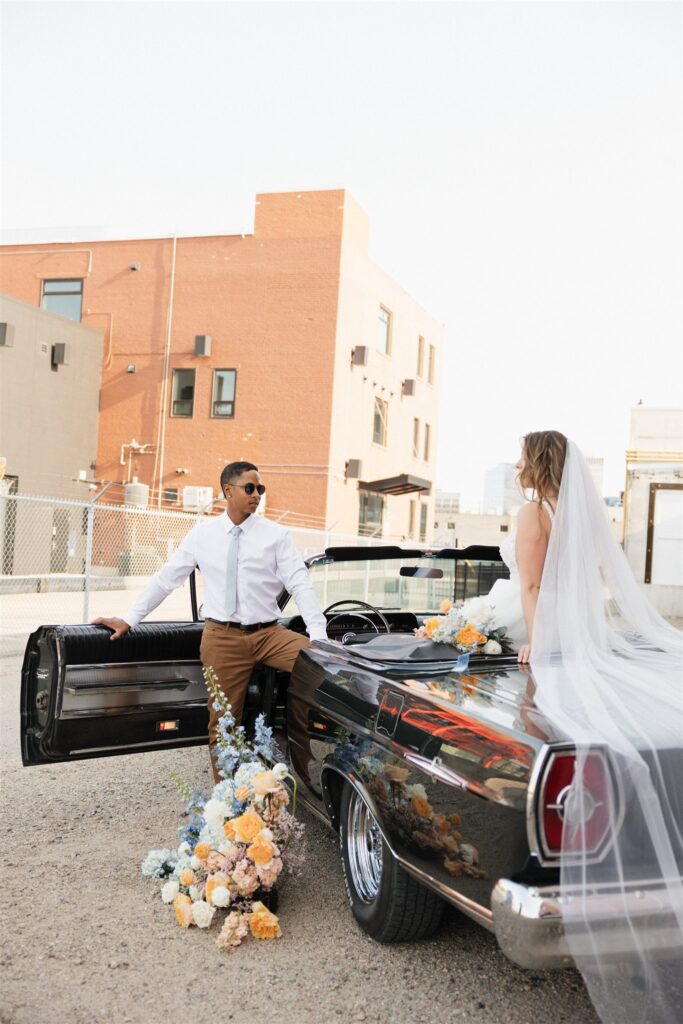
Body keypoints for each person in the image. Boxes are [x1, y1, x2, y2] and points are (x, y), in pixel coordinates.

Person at [506, 430, 682, 1024]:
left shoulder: (535, 510)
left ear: (535, 461)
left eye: (521, 453)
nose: (516, 462)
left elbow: (530, 585)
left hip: (546, 632)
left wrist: (539, 641)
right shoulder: (576, 513)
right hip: (581, 629)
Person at [93, 460, 328, 781]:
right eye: (249, 488)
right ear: (227, 491)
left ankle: (301, 755)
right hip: (222, 638)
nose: (257, 494)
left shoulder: (275, 535)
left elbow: (300, 582)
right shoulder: (202, 535)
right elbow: (167, 579)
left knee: (321, 671)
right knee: (222, 722)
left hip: (270, 634)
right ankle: (228, 798)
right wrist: (130, 618)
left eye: (261, 488)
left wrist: (319, 636)